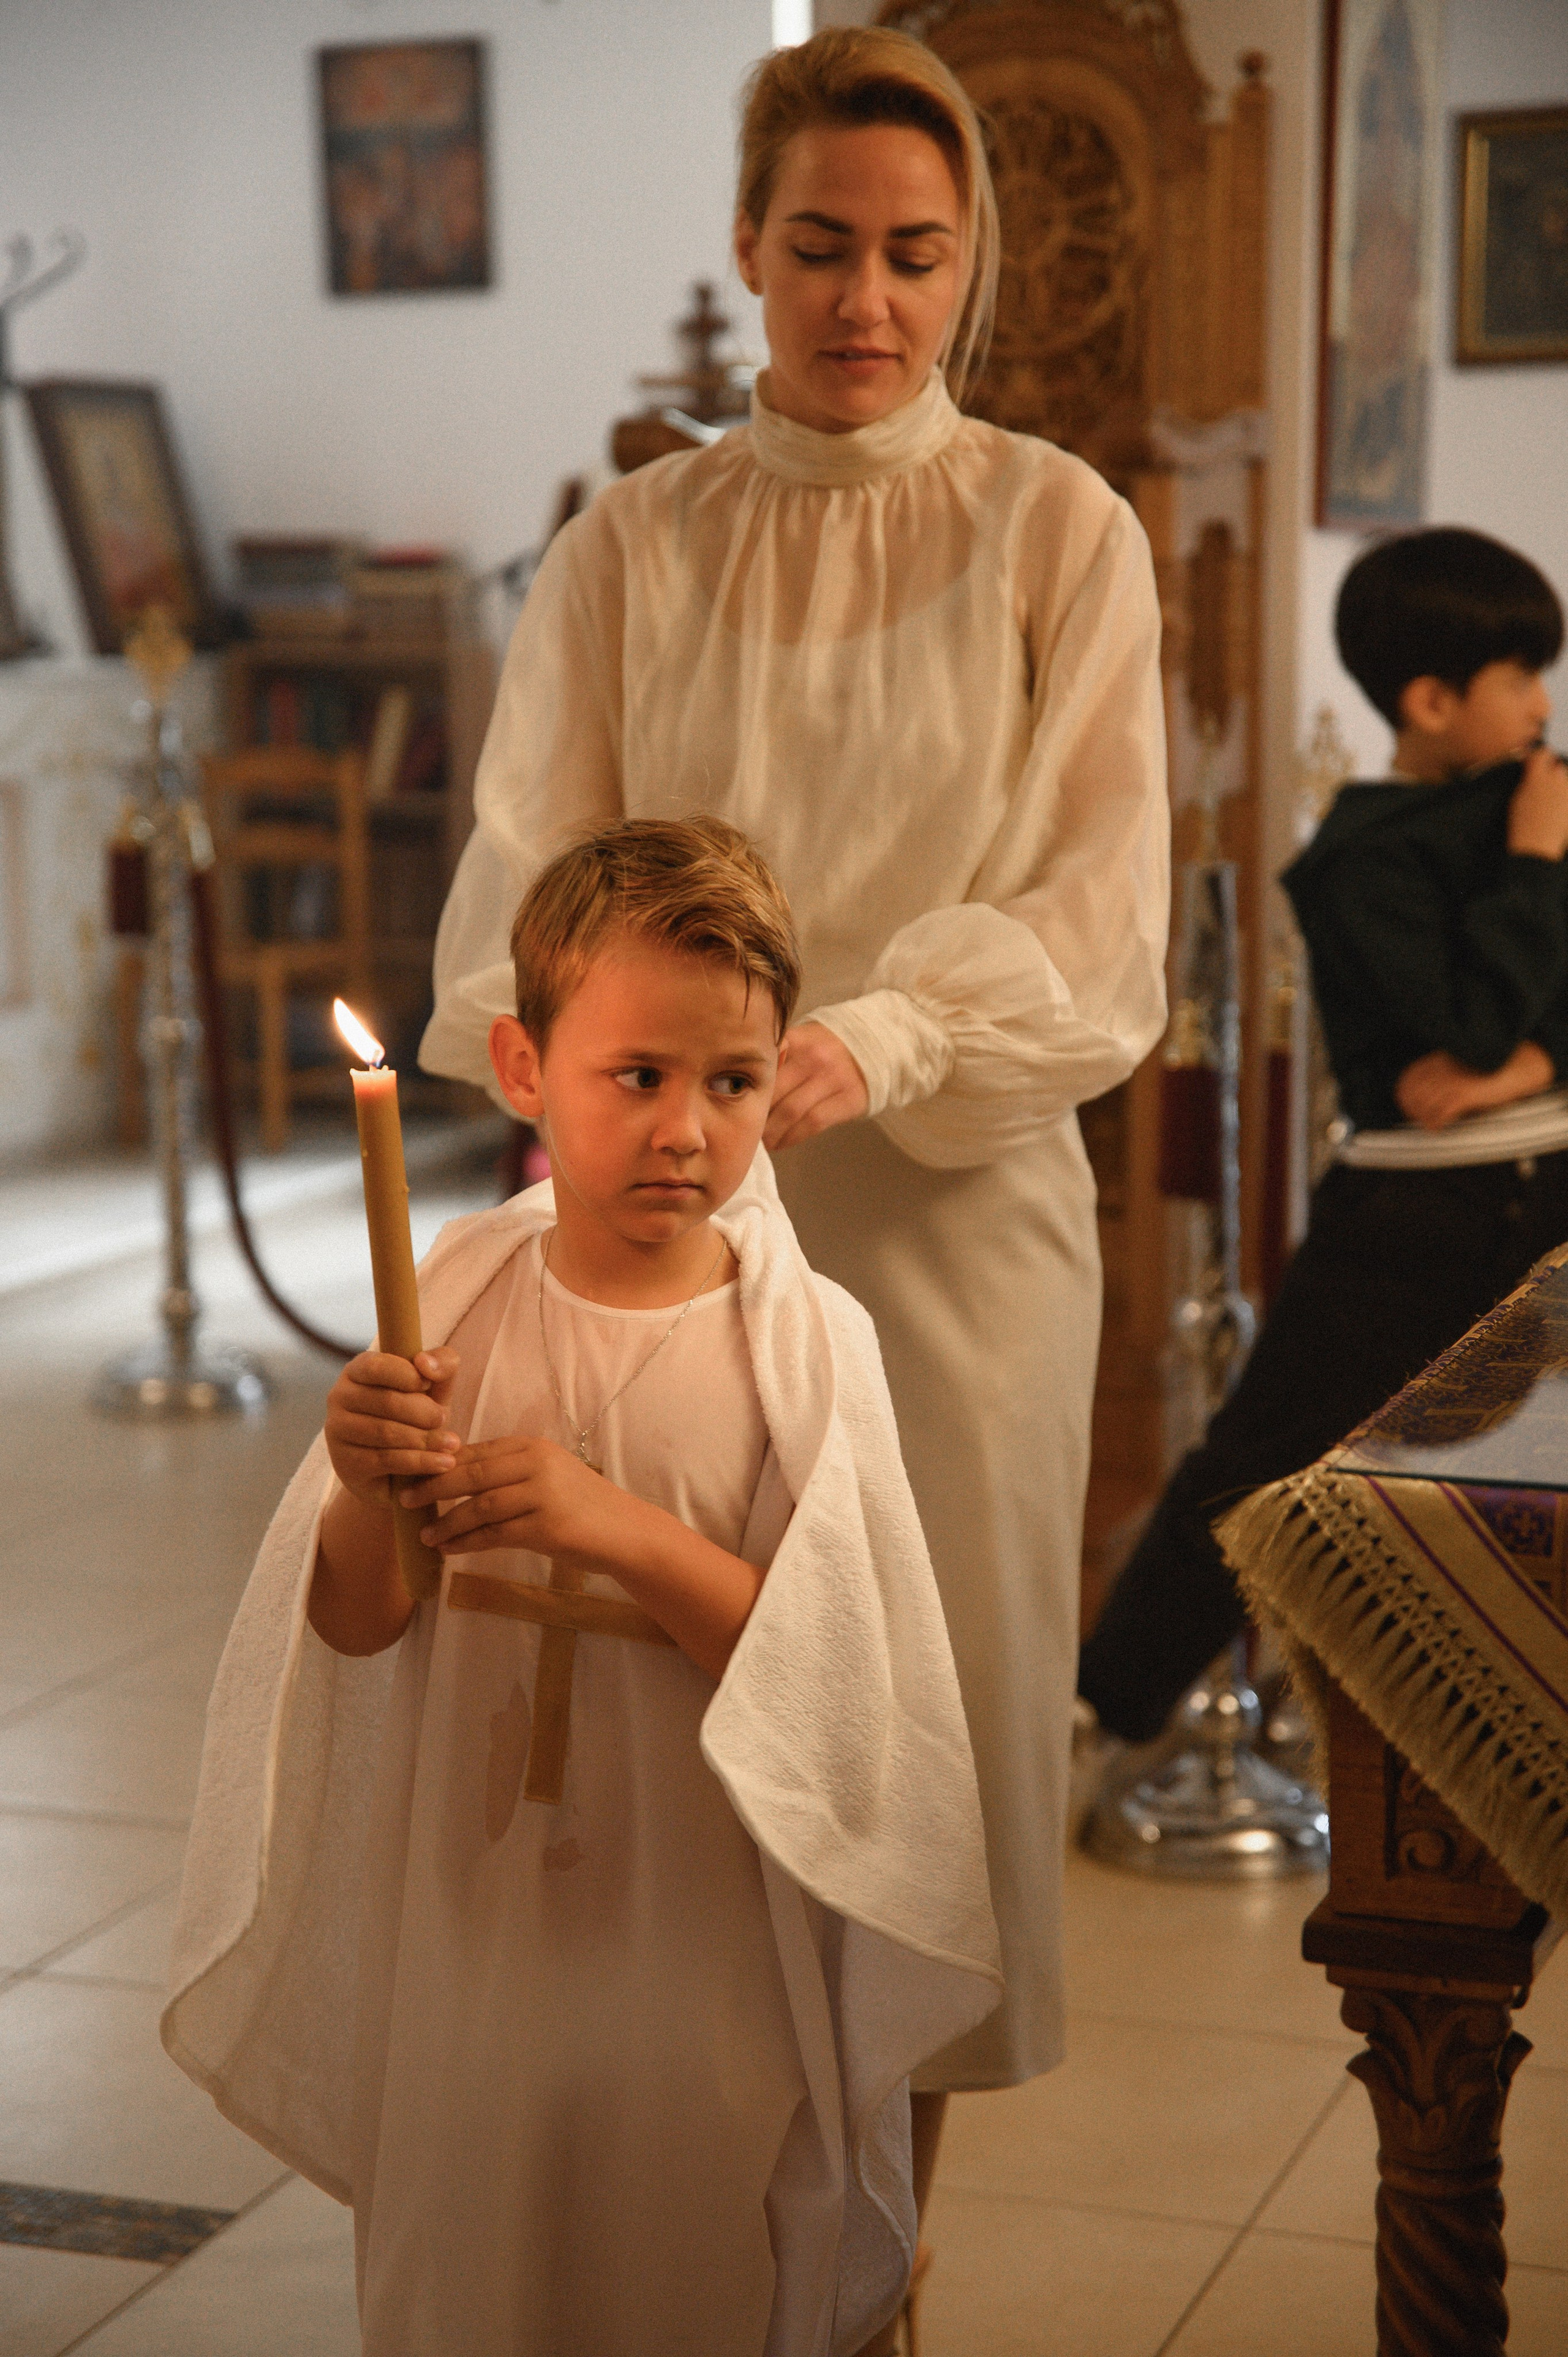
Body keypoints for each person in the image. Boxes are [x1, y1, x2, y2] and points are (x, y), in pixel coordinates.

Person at [418, 29, 1170, 2225]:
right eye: (822, 246)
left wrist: (892, 1035)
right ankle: (670, 2240)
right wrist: (617, 1074)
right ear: (747, 247)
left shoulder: (1063, 528)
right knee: (674, 1747)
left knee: (912, 1755)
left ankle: (877, 2271)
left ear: (973, 268)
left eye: (916, 256)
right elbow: (522, 884)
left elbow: (1104, 912)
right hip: (663, 1225)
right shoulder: (633, 546)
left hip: (950, 1233)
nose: (867, 299)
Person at [163, 817, 1001, 2357]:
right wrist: (362, 1477)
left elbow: (824, 1671)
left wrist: (610, 1529)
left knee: (677, 2237)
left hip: (692, 1916)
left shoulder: (802, 1347)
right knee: (472, 2247)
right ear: (527, 1066)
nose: (687, 1126)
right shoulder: (463, 1301)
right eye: (639, 1075)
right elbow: (359, 1620)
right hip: (475, 1912)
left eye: (730, 1082)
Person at [1080, 526, 1568, 1744]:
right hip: (1413, 1218)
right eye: (1521, 679)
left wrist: (1523, 1065)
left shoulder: (1532, 807)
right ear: (1429, 698)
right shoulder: (1360, 859)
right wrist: (1528, 880)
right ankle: (1108, 1706)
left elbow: (1490, 1049)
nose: (1541, 706)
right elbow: (1445, 1042)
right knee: (1263, 1462)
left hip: (1549, 1183)